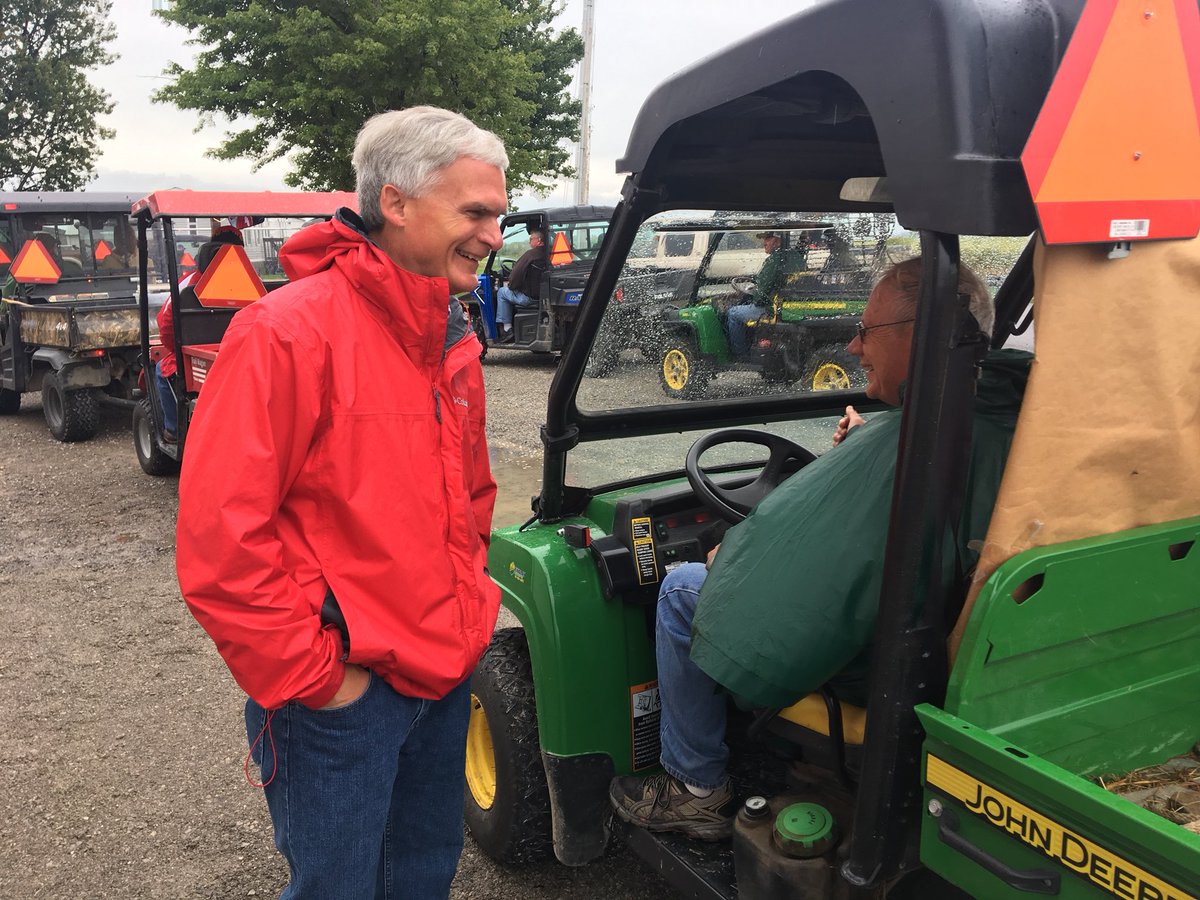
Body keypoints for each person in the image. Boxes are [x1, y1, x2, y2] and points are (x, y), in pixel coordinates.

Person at [174, 106, 508, 899]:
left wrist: (465, 620)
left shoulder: (450, 338)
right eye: (475, 212)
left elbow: (470, 501)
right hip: (343, 697)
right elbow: (221, 540)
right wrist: (319, 679)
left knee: (421, 877)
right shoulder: (286, 333)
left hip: (441, 674)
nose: (494, 235)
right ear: (396, 202)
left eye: (498, 214)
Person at [610, 256, 1030, 840]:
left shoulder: (900, 448)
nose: (854, 347)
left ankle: (694, 786)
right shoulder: (1015, 423)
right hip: (959, 651)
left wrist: (730, 559)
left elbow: (808, 573)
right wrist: (871, 444)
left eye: (866, 331)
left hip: (882, 663)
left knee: (683, 587)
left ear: (927, 334)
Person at [155, 227, 244, 441]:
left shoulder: (188, 284)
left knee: (159, 370)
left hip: (201, 358)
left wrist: (176, 348)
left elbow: (166, 325)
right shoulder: (250, 282)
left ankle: (174, 431)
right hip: (243, 350)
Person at [725, 231, 807, 357]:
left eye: (768, 239)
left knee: (733, 313)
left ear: (778, 241)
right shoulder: (795, 256)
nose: (764, 242)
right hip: (787, 303)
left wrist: (754, 297)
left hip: (771, 308)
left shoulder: (776, 259)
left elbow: (762, 293)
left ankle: (740, 355)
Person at [495, 228, 546, 341]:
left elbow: (515, 276)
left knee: (502, 292)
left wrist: (512, 286)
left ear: (539, 240)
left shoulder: (530, 255)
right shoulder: (549, 254)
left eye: (531, 239)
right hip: (544, 297)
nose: (529, 241)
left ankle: (507, 329)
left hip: (529, 299)